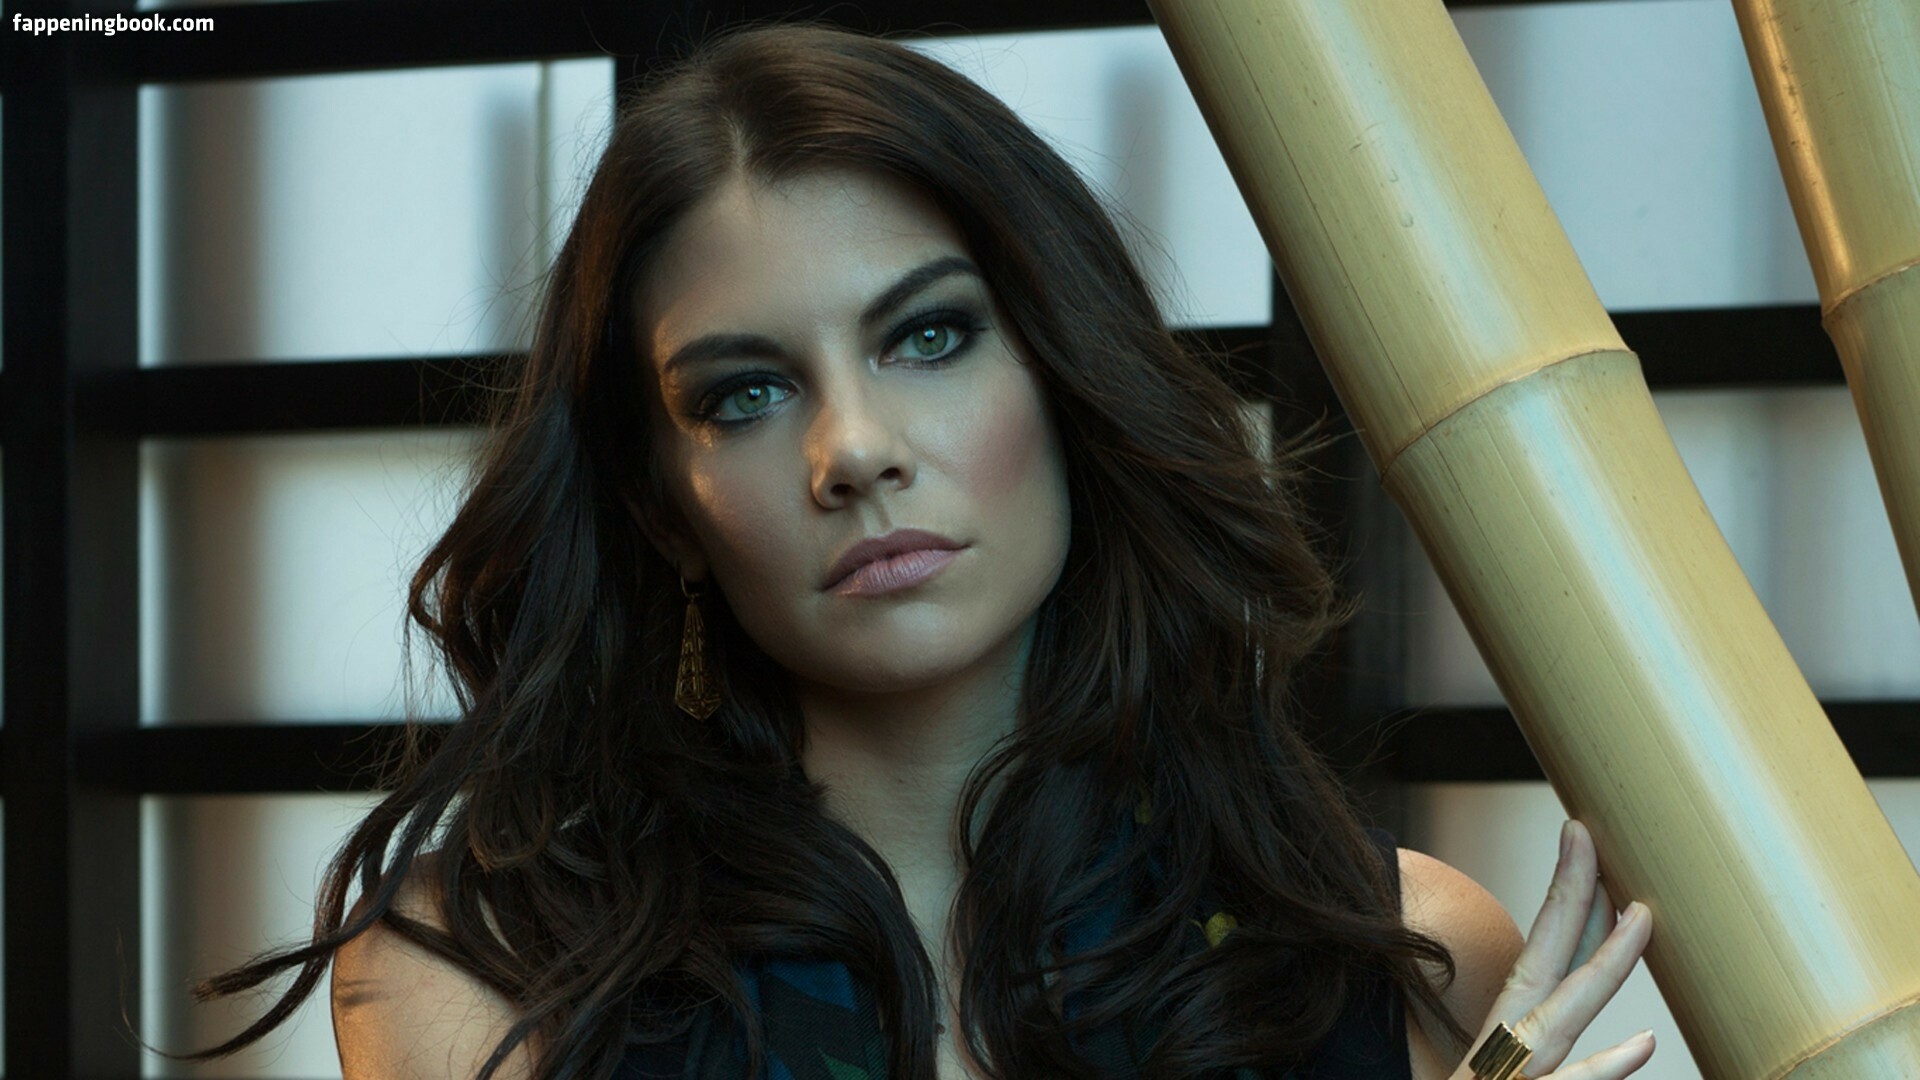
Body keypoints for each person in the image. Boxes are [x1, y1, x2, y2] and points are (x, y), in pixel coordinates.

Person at [183, 21, 1656, 1080]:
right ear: (661, 510)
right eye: (744, 395)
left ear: (1065, 383)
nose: (855, 449)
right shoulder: (478, 970)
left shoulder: (1402, 953)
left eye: (931, 337)